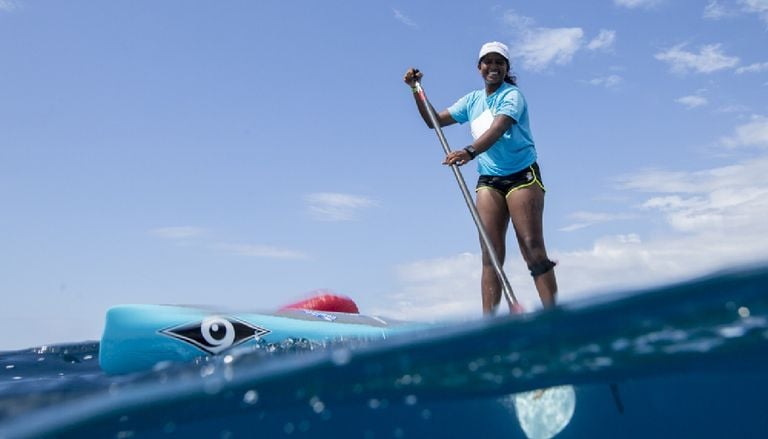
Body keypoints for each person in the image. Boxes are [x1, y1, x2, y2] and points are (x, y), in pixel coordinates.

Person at [403, 41, 558, 313]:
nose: (493, 67)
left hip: (521, 175)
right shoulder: (472, 100)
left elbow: (498, 128)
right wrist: (416, 89)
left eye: (499, 62)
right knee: (491, 254)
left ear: (507, 68)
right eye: (488, 62)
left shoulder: (513, 96)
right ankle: (491, 325)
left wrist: (469, 151)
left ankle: (554, 317)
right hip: (489, 179)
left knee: (532, 248)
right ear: (479, 68)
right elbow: (433, 120)